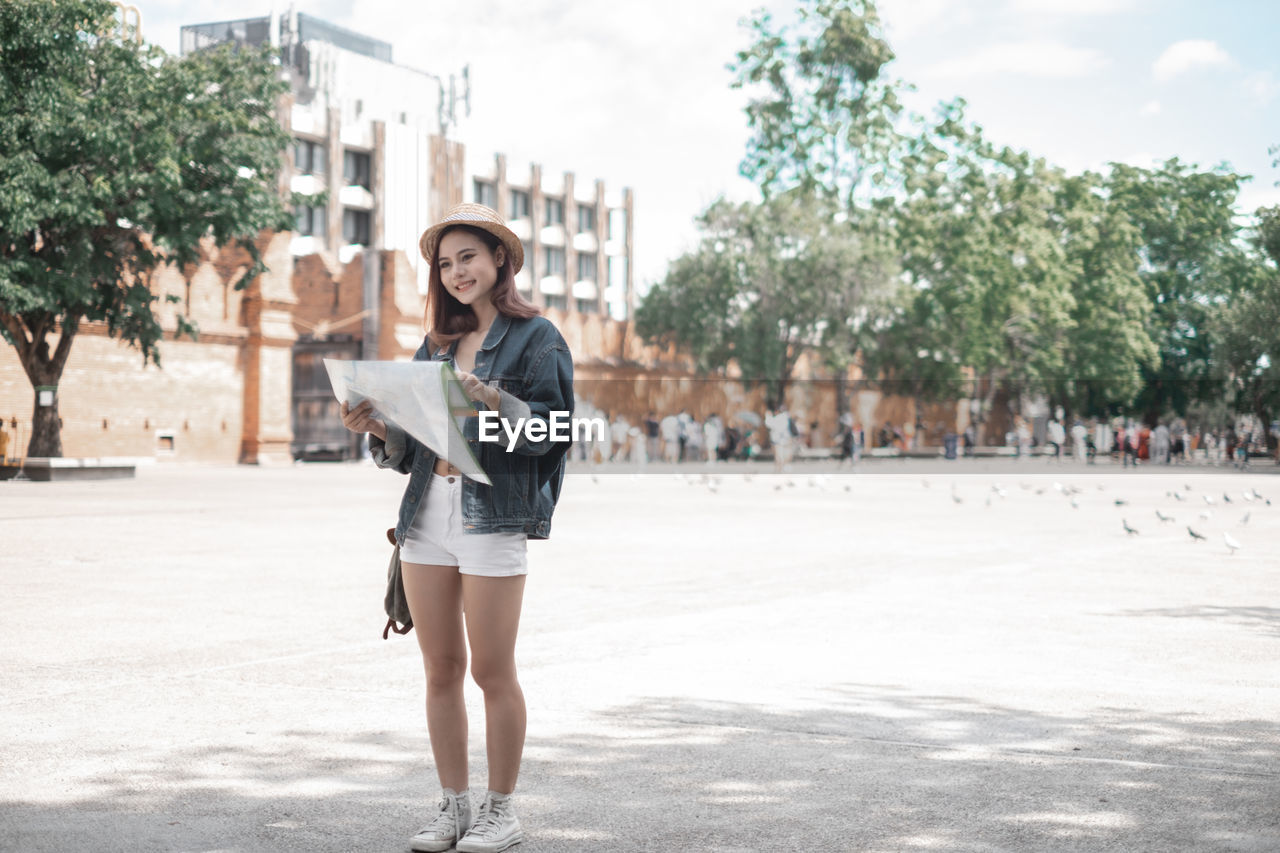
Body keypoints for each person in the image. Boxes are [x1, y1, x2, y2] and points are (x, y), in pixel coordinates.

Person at [341, 203, 572, 853]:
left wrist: (499, 402)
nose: (454, 272)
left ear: (500, 258)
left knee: (492, 670)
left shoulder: (538, 339)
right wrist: (379, 428)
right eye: (443, 263)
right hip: (425, 518)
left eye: (467, 256)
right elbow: (414, 447)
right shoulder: (435, 345)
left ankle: (503, 810)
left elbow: (555, 433)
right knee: (440, 667)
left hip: (490, 517)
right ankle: (453, 806)